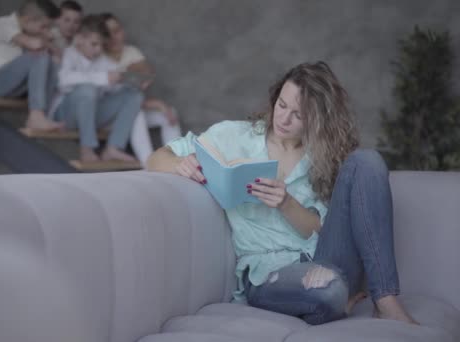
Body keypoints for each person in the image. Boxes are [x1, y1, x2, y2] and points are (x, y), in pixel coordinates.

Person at [147, 62, 418, 325]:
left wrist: (286, 203)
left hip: (327, 257)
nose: (284, 119)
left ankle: (386, 301)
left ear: (318, 120)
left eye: (298, 115)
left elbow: (322, 229)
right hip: (270, 272)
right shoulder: (234, 137)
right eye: (282, 105)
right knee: (329, 289)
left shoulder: (323, 155)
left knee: (367, 160)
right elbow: (157, 158)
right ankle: (337, 300)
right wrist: (178, 164)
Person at [49, 15, 143, 163]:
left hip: (91, 116)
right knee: (88, 90)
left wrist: (123, 81)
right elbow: (63, 81)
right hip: (65, 117)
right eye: (94, 44)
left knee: (133, 95)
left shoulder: (103, 60)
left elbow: (110, 88)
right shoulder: (70, 54)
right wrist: (103, 78)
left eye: (101, 45)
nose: (98, 50)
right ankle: (87, 149)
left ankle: (113, 148)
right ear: (79, 39)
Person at [0, 0, 64, 133]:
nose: (46, 31)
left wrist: (50, 46)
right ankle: (36, 116)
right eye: (44, 26)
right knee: (40, 56)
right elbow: (35, 45)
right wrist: (48, 39)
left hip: (8, 86)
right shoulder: (2, 24)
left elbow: (57, 56)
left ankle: (44, 114)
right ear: (27, 20)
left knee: (52, 64)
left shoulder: (25, 31)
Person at [102, 13, 182, 167]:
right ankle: (150, 165)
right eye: (108, 33)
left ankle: (178, 161)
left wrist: (159, 106)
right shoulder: (100, 57)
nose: (114, 37)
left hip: (133, 107)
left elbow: (145, 77)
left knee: (168, 114)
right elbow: (120, 101)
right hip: (110, 117)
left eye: (117, 30)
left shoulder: (130, 52)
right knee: (137, 114)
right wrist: (156, 104)